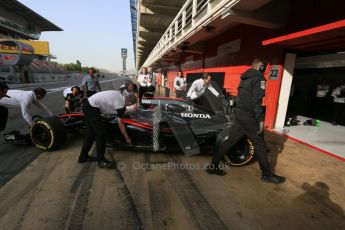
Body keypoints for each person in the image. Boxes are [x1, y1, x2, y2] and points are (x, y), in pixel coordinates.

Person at [206, 58, 285, 184]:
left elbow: (241, 97)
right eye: (264, 67)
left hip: (239, 114)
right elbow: (256, 101)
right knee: (259, 144)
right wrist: (260, 119)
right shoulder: (259, 78)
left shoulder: (244, 77)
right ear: (261, 67)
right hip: (249, 116)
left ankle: (213, 166)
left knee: (230, 140)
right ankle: (267, 175)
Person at [78, 91, 137, 168]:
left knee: (91, 134)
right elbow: (121, 124)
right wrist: (127, 138)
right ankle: (101, 161)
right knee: (101, 134)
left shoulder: (119, 95)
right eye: (131, 105)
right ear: (128, 102)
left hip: (88, 105)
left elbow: (113, 108)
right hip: (92, 108)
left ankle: (83, 157)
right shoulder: (121, 105)